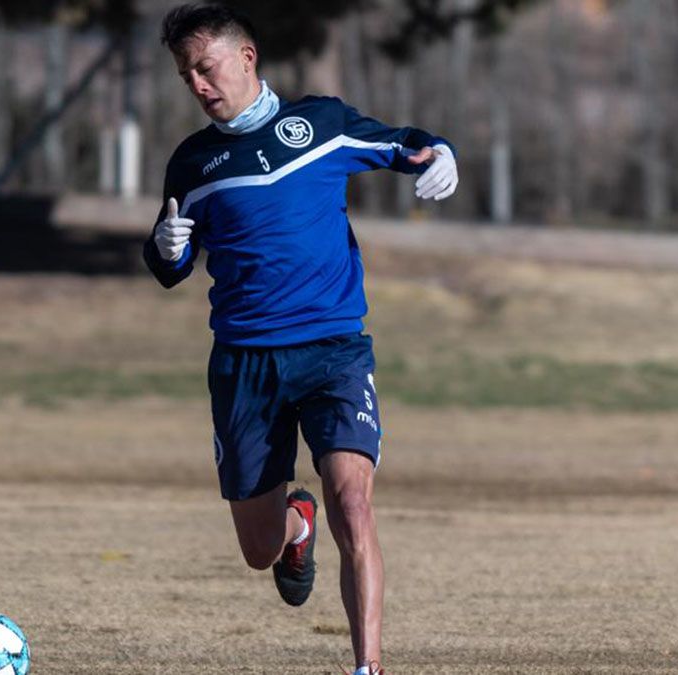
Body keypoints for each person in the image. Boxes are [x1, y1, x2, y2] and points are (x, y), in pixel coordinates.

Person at [143, 5, 459, 674]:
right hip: (245, 365)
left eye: (207, 67)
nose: (198, 85)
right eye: (185, 75)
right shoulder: (193, 164)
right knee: (259, 550)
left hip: (334, 351)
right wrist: (165, 247)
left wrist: (441, 154)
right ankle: (295, 526)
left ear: (248, 57)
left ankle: (367, 667)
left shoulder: (319, 125)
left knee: (354, 502)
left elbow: (407, 142)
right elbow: (171, 264)